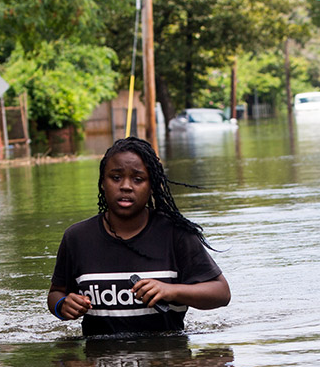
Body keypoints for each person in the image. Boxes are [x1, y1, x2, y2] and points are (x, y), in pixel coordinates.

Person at [48, 137, 230, 336]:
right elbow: (56, 293)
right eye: (115, 177)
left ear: (151, 186)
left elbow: (221, 293)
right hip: (98, 358)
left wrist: (172, 291)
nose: (126, 186)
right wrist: (62, 305)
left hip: (167, 361)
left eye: (138, 179)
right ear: (102, 183)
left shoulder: (176, 235)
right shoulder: (77, 238)